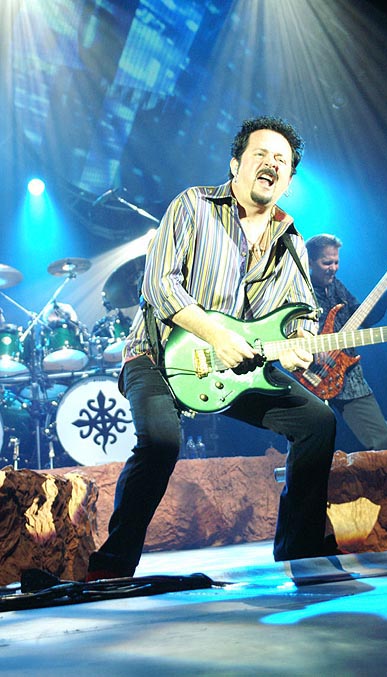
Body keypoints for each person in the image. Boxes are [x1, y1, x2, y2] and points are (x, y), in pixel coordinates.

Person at [86, 116, 337, 581]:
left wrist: (301, 341)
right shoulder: (193, 205)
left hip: (235, 370)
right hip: (157, 355)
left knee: (317, 422)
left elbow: (302, 310)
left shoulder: (291, 240)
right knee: (161, 443)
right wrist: (217, 334)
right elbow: (159, 285)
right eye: (261, 154)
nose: (271, 164)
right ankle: (111, 566)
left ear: (288, 180)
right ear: (236, 164)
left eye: (281, 160)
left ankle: (303, 555)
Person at [304, 234, 387, 451]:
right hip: (310, 375)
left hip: (348, 375)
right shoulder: (299, 290)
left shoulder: (337, 287)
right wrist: (313, 348)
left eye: (336, 262)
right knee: (308, 445)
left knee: (383, 441)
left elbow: (365, 318)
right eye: (327, 263)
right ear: (310, 262)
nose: (333, 268)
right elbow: (287, 330)